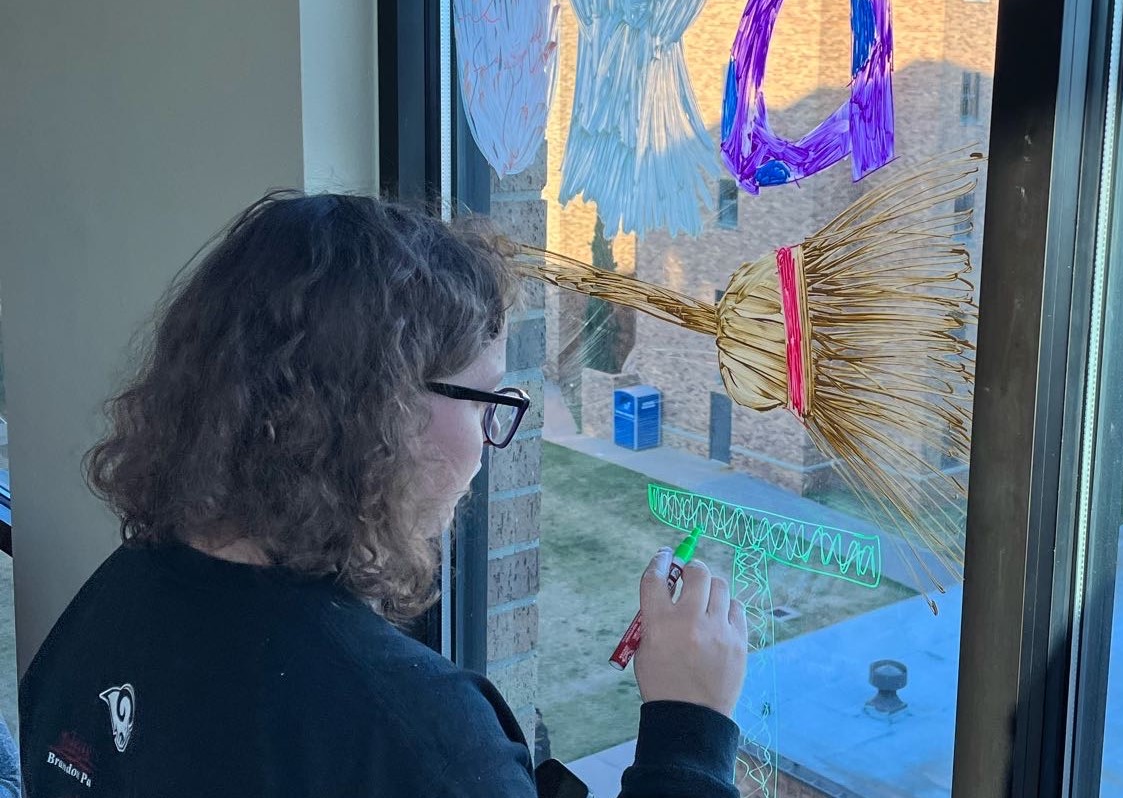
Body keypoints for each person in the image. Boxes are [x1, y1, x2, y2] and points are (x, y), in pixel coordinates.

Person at [20, 193, 748, 797]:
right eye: (487, 398)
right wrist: (689, 729)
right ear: (377, 412)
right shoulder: (411, 733)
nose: (493, 435)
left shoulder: (106, 608)